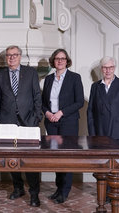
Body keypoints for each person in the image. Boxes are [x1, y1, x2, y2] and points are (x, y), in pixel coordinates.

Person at [0, 45, 42, 207]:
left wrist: (36, 118)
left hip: (28, 121)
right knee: (11, 158)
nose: (11, 58)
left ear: (20, 56)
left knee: (31, 160)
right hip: (7, 122)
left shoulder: (31, 73)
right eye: (8, 55)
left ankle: (34, 194)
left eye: (14, 55)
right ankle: (18, 188)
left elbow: (37, 96)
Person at [87, 56, 119, 203]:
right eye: (105, 67)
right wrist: (93, 134)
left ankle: (116, 194)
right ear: (101, 69)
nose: (108, 70)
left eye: (110, 67)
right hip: (100, 133)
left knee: (117, 167)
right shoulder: (96, 86)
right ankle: (104, 194)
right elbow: (90, 112)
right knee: (102, 166)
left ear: (114, 68)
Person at [41, 49, 84, 204]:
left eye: (63, 58)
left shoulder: (74, 78)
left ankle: (65, 191)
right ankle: (58, 188)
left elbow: (79, 102)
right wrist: (47, 113)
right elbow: (43, 102)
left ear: (67, 61)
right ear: (53, 61)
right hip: (51, 122)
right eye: (57, 59)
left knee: (67, 156)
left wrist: (61, 112)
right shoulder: (48, 79)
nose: (60, 61)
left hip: (68, 122)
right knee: (56, 157)